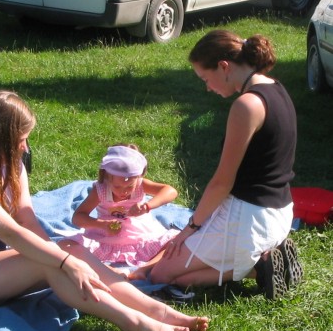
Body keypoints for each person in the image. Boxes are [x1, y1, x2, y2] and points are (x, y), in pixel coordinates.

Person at [0, 90, 208, 331]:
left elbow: (26, 217)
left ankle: (157, 310)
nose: (25, 146)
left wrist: (65, 255)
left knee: (68, 250)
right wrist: (62, 262)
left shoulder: (12, 161)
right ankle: (134, 322)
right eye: (20, 139)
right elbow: (11, 232)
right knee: (53, 263)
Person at [130, 30, 303, 300]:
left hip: (249, 219)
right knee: (181, 277)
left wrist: (191, 228)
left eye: (205, 78)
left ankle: (258, 267)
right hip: (281, 214)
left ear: (224, 67)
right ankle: (262, 261)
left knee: (160, 276)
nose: (207, 88)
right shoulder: (276, 87)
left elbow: (222, 182)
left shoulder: (246, 106)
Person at [67, 144, 180, 267]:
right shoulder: (101, 190)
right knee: (68, 246)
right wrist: (101, 224)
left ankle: (147, 268)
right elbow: (78, 217)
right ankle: (105, 269)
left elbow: (170, 191)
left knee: (176, 240)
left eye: (129, 187)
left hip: (139, 231)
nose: (123, 192)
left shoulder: (140, 185)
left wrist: (147, 206)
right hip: (107, 234)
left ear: (138, 177)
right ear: (106, 178)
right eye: (117, 187)